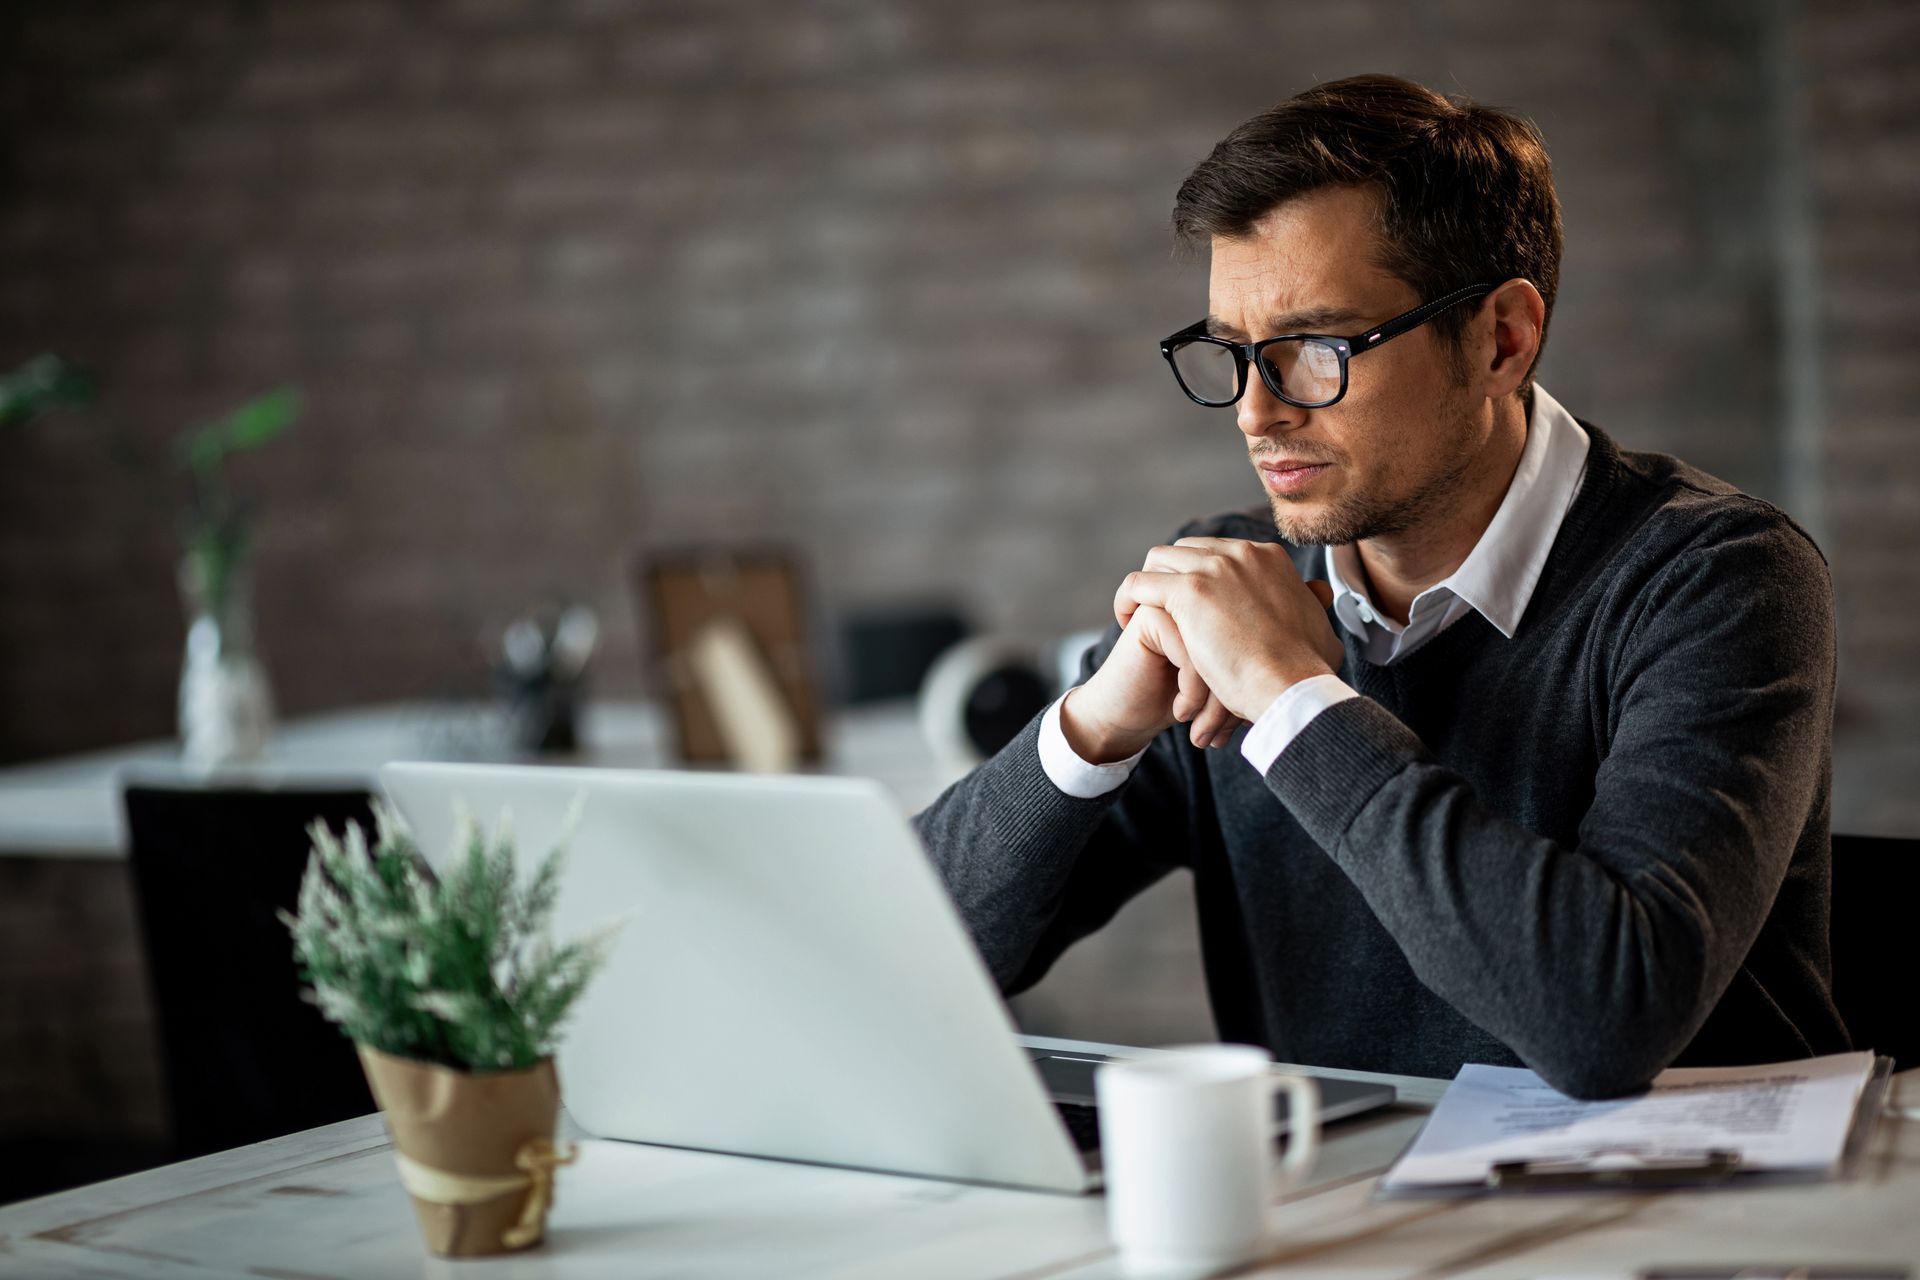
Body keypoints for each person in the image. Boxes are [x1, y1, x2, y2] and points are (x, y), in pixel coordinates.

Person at [912, 74, 1848, 1100]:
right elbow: (903, 961)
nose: (1255, 414)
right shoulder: (1231, 589)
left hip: (1679, 1238)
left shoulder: (1719, 579)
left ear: (1503, 338)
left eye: (1316, 349)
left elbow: (1602, 1016)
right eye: (1232, 351)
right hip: (1344, 1229)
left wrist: (1290, 698)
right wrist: (1091, 724)